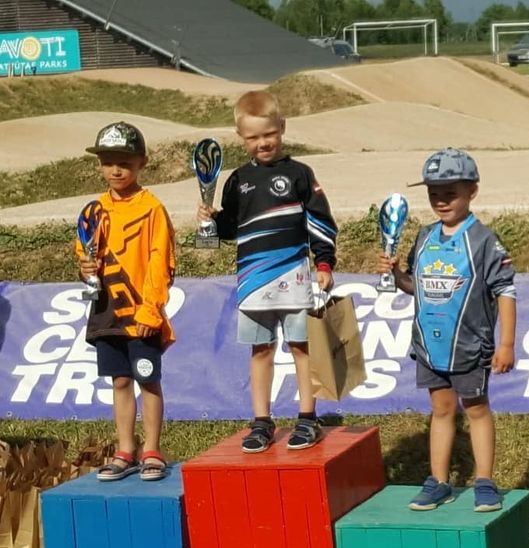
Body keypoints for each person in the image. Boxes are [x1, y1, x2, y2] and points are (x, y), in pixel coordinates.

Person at [198, 90, 337, 453]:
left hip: (294, 277)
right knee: (261, 350)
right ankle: (262, 421)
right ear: (241, 137)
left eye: (270, 134)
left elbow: (320, 221)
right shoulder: (237, 179)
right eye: (254, 137)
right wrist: (211, 221)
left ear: (282, 127)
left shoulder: (300, 174)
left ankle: (308, 418)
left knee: (301, 347)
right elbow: (230, 229)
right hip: (253, 282)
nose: (263, 143)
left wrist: (324, 262)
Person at [377, 148, 516, 512]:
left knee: (476, 409)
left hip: (469, 345)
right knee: (441, 409)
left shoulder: (484, 240)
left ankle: (485, 482)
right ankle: (439, 482)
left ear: (472, 191)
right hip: (429, 345)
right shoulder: (425, 236)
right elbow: (416, 287)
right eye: (434, 193)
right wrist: (395, 274)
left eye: (450, 193)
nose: (441, 200)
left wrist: (506, 343)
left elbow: (505, 291)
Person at [76, 121, 176, 481]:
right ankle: (125, 450)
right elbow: (85, 252)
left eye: (125, 163)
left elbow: (161, 261)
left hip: (141, 312)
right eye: (108, 162)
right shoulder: (95, 209)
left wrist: (151, 309)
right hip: (108, 312)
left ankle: (152, 450)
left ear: (142, 163)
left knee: (147, 379)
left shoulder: (151, 208)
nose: (116, 170)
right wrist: (85, 267)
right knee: (119, 381)